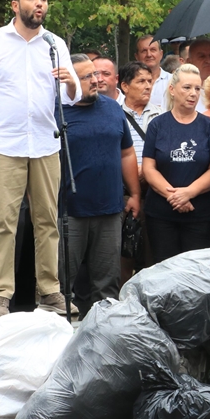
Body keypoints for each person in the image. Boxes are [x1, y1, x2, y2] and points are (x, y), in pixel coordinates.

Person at [0, 0, 82, 321]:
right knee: (3, 222)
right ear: (15, 5)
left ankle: (50, 291)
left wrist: (72, 82)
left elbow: (72, 98)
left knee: (48, 221)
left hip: (46, 143)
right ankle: (0, 296)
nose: (39, 4)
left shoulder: (55, 44)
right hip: (4, 143)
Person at [57, 55, 141, 304]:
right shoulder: (55, 112)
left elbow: (127, 152)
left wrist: (135, 195)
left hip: (110, 212)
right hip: (68, 214)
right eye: (87, 77)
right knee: (61, 287)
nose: (95, 81)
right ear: (69, 82)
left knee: (107, 288)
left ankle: (104, 339)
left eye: (96, 74)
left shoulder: (112, 108)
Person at [141, 64, 210, 262]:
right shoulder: (157, 125)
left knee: (197, 272)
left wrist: (189, 192)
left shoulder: (209, 126)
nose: (193, 93)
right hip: (161, 214)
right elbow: (149, 168)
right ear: (172, 90)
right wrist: (174, 196)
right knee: (165, 269)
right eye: (187, 87)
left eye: (197, 88)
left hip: (201, 214)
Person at [118, 61, 161, 279]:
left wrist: (147, 169)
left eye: (149, 81)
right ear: (125, 86)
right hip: (123, 193)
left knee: (152, 255)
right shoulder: (113, 113)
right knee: (124, 253)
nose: (147, 86)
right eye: (141, 81)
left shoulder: (161, 115)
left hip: (153, 191)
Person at [135, 35, 171, 110]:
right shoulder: (131, 84)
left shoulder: (172, 81)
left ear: (161, 54)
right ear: (137, 56)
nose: (149, 54)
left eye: (153, 50)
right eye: (144, 51)